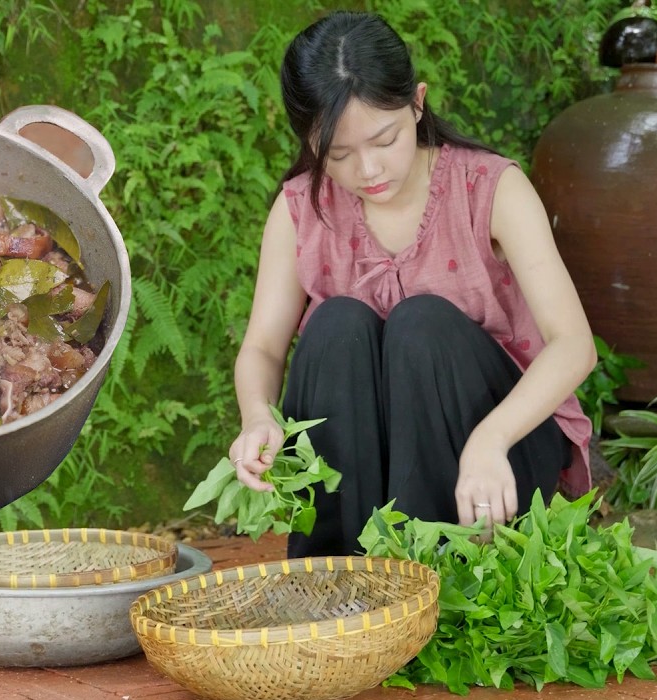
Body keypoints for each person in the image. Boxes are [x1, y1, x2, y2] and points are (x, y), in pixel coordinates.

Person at [228, 10, 596, 558]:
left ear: (417, 103)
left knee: (420, 324)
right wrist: (257, 418)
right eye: (339, 154)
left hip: (494, 462)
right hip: (365, 480)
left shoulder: (491, 189)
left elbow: (574, 346)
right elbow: (261, 346)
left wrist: (490, 439)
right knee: (335, 324)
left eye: (385, 139)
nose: (369, 170)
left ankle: (438, 577)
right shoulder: (301, 208)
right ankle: (339, 577)